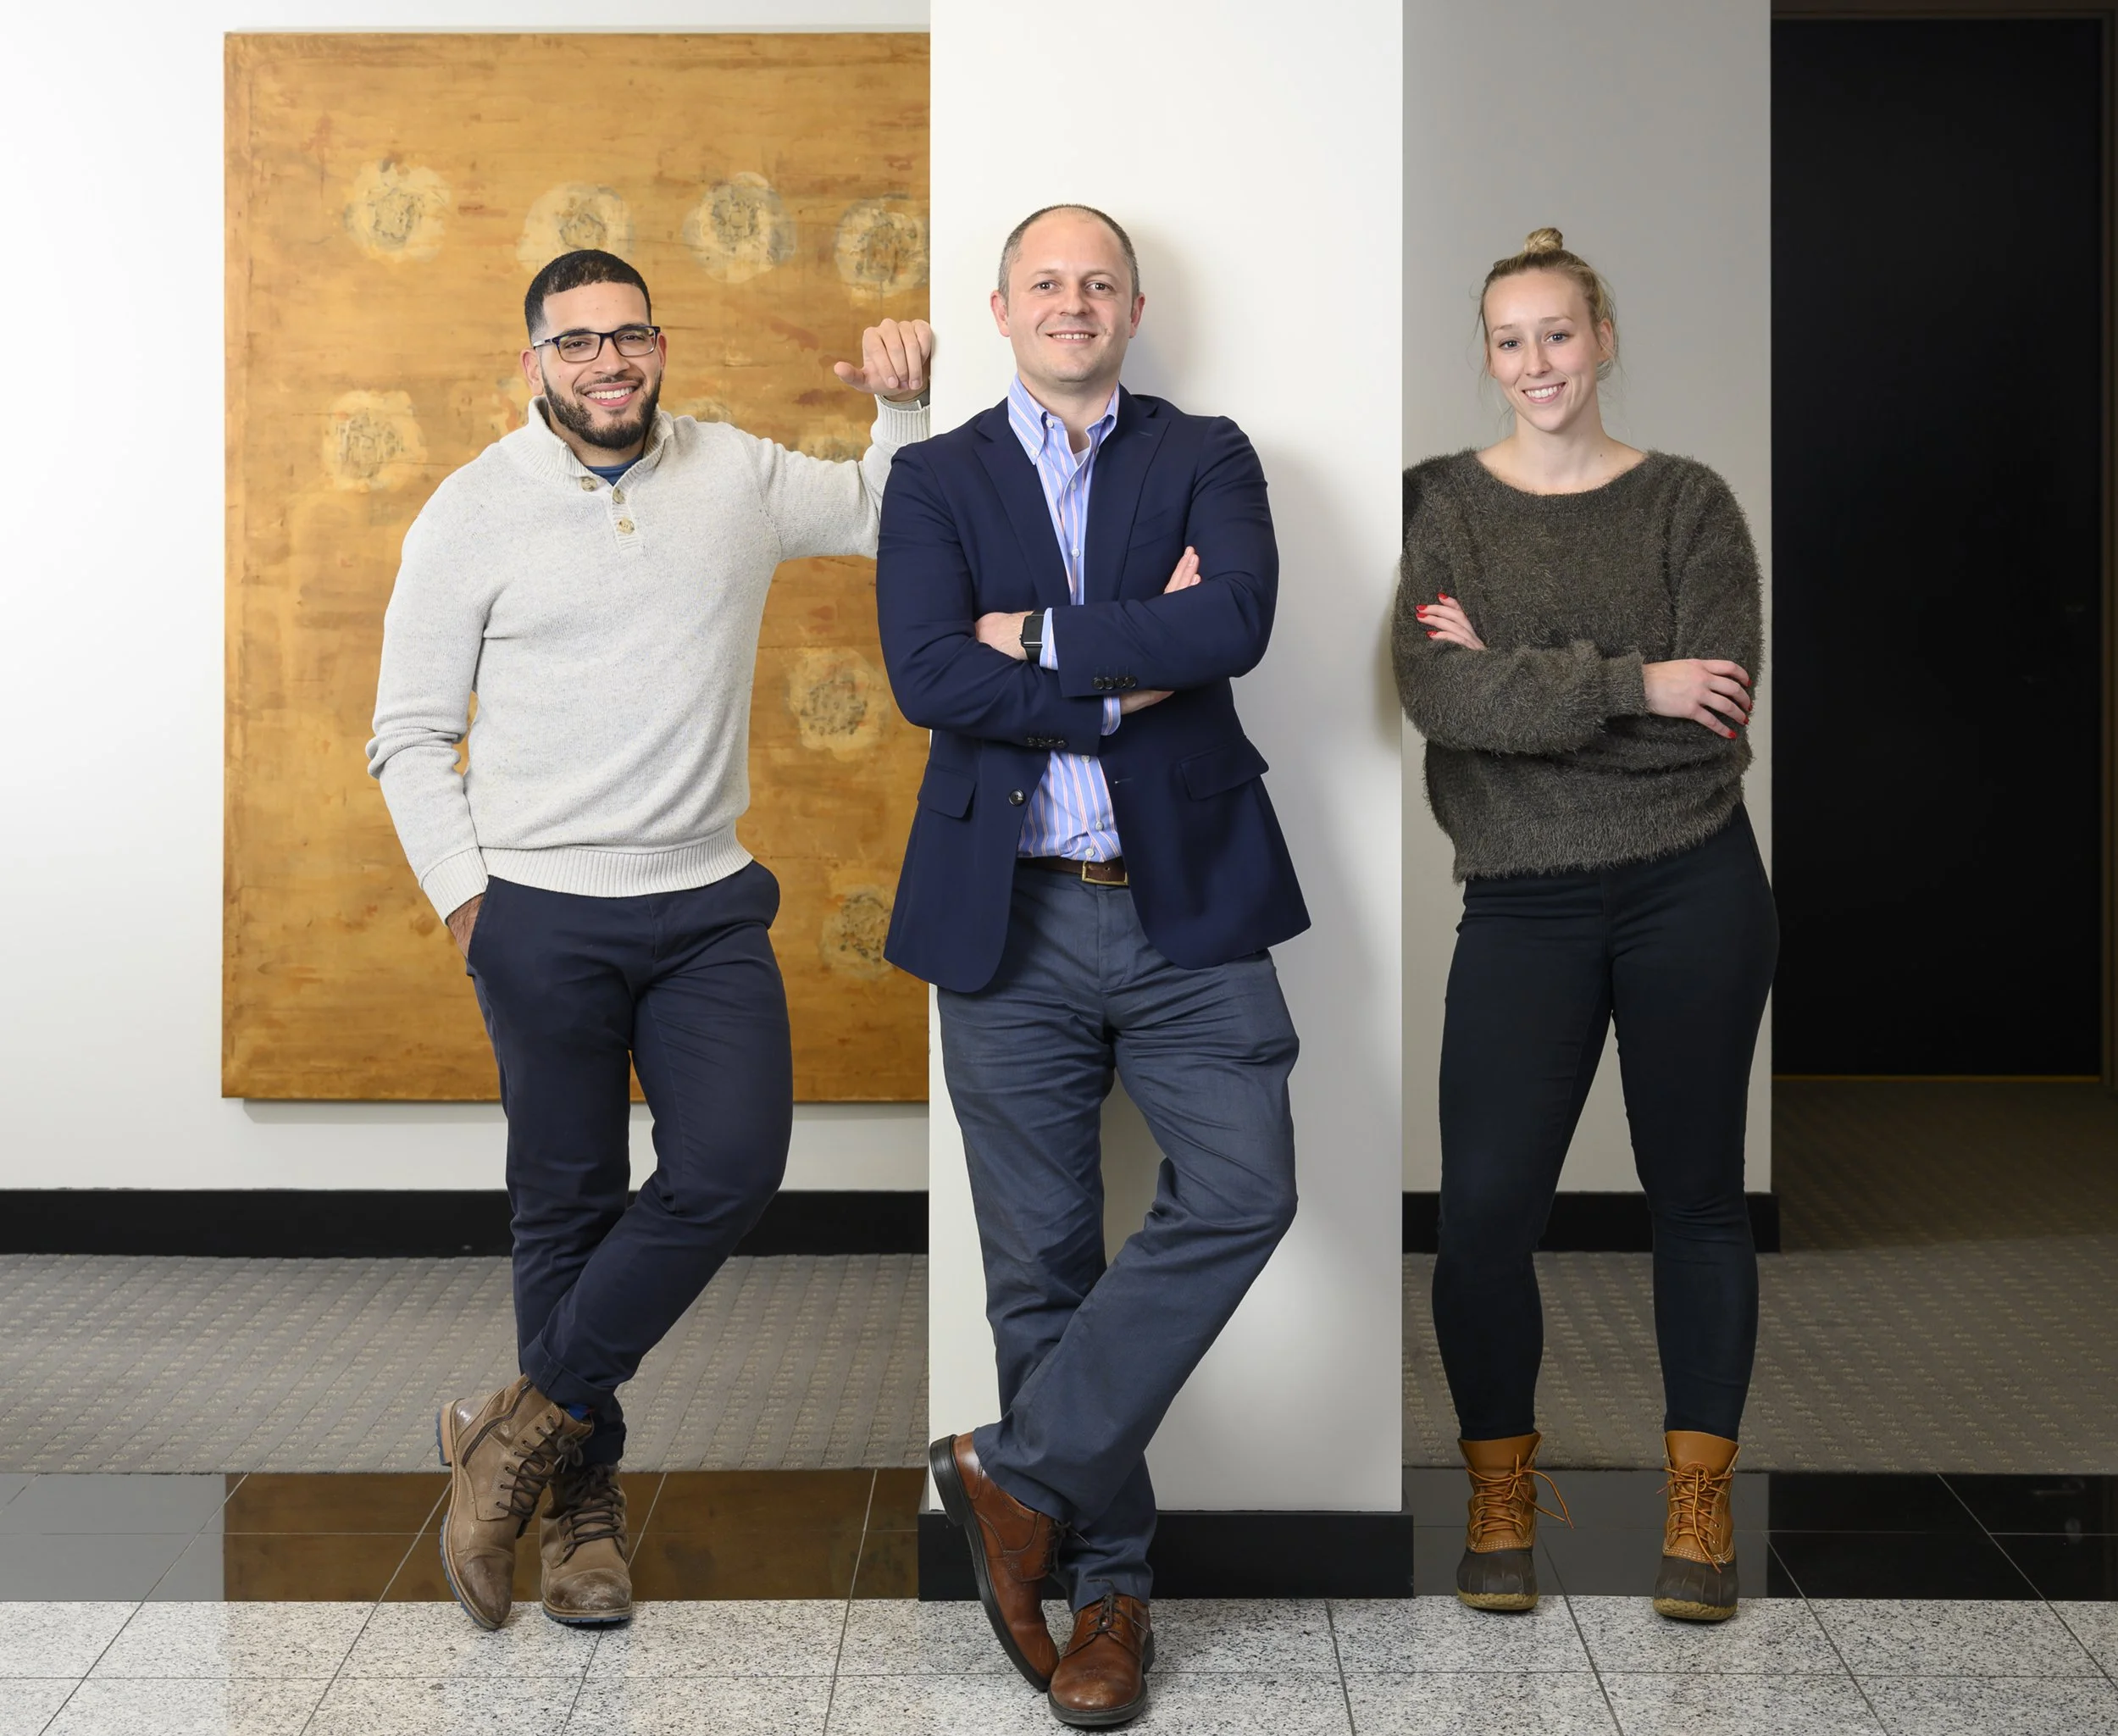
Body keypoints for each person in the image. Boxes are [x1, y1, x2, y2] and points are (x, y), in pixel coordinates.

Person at [366, 247, 931, 1632]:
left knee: (731, 1164)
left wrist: (905, 407)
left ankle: (511, 1430)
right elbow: (407, 732)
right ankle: (578, 1519)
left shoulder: (730, 474)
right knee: (564, 1205)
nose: (608, 364)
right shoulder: (470, 512)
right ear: (534, 363)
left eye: (630, 339)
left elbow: (877, 512)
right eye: (577, 345)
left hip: (703, 902)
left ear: (661, 345)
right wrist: (467, 898)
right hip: (538, 912)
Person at [876, 204, 1307, 1727]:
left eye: (1098, 283)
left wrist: (1039, 640)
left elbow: (1239, 622)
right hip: (1011, 921)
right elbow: (928, 670)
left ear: (1131, 307)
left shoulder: (1209, 453)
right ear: (1001, 309)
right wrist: (1128, 675)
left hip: (1188, 903)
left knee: (1248, 1185)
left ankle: (1017, 1474)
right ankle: (1106, 1596)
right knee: (1041, 1264)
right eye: (1045, 283)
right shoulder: (935, 476)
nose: (1073, 303)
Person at [1394, 228, 1776, 1624]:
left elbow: (1717, 719)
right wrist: (1635, 681)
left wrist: (1528, 689)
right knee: (1486, 1216)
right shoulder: (1440, 504)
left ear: (1602, 341)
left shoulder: (1692, 506)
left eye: (1559, 334)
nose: (1536, 363)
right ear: (1485, 355)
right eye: (1510, 340)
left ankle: (1700, 1506)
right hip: (1521, 902)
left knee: (1696, 1200)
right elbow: (1441, 702)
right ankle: (1501, 1493)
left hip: (1694, 883)